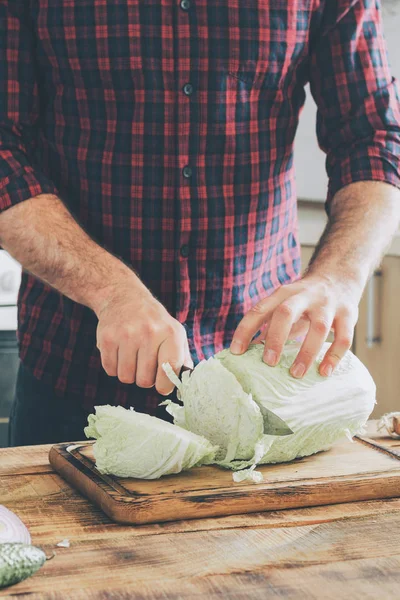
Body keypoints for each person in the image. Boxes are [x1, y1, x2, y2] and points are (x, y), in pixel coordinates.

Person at [1, 1, 400, 446]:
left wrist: (338, 277)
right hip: (74, 372)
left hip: (264, 385)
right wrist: (109, 291)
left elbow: (374, 137)